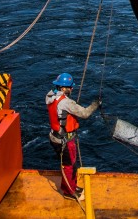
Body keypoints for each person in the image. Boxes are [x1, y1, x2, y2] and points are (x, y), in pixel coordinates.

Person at [46, 72, 100, 200]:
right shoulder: (66, 103)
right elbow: (85, 113)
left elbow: (55, 96)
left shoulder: (49, 96)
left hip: (55, 137)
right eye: (70, 87)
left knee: (70, 164)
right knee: (69, 166)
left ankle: (72, 185)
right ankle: (69, 192)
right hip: (64, 140)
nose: (72, 89)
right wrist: (96, 104)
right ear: (63, 88)